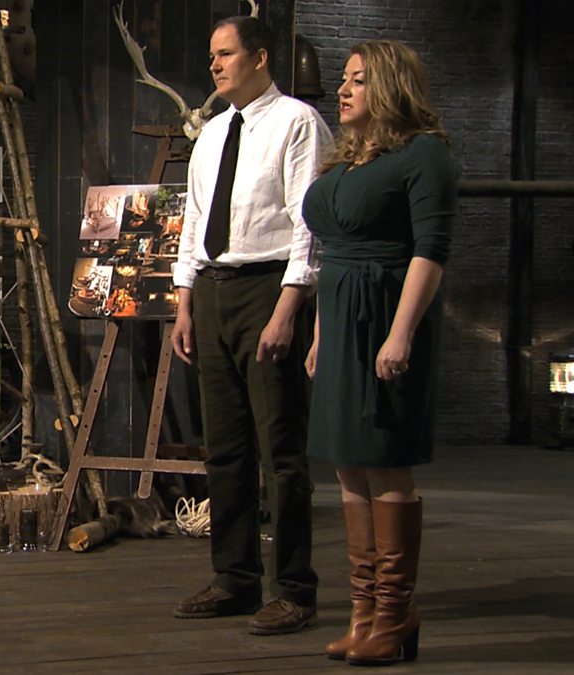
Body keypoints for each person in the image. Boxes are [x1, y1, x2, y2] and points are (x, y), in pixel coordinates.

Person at [171, 16, 334, 636]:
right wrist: (184, 301)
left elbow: (308, 225)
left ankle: (293, 588)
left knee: (281, 451)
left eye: (226, 54)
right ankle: (235, 577)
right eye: (211, 55)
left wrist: (289, 308)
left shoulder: (296, 123)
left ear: (260, 58)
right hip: (214, 290)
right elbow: (194, 221)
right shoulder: (213, 132)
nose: (214, 65)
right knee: (226, 447)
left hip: (268, 287)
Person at [302, 40, 457, 665]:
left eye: (358, 80)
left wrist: (401, 332)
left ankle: (395, 612)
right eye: (344, 79)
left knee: (385, 458)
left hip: (384, 316)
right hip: (341, 319)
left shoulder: (423, 154)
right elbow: (331, 257)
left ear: (391, 86)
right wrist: (320, 333)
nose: (343, 90)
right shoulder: (347, 160)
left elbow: (430, 250)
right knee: (348, 462)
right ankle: (364, 612)